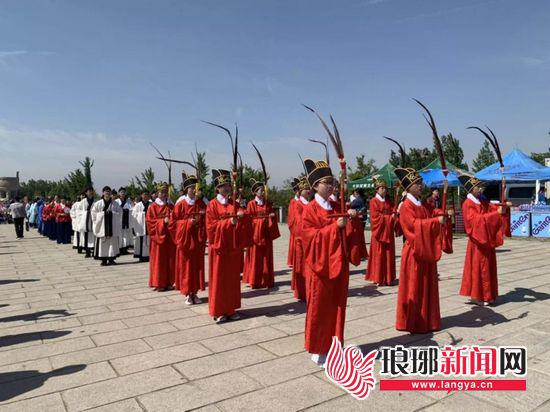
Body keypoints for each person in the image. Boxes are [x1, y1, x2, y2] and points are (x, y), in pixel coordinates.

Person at [301, 159, 357, 366]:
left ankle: (335, 346)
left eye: (332, 181)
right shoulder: (310, 210)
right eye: (327, 182)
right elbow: (310, 238)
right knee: (320, 307)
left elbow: (347, 234)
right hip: (321, 267)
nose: (331, 185)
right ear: (315, 185)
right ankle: (318, 349)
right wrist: (335, 227)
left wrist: (350, 221)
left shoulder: (336, 205)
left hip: (339, 263)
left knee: (337, 307)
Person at [394, 167, 446, 334]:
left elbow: (431, 212)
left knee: (426, 284)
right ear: (408, 187)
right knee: (414, 286)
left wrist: (443, 214)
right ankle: (414, 321)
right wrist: (435, 222)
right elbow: (413, 226)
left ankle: (428, 320)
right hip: (414, 252)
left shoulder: (421, 204)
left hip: (426, 250)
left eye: (420, 183)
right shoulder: (406, 206)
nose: (420, 186)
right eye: (416, 184)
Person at [206, 169, 247, 323]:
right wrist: (228, 222)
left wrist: (242, 216)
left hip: (232, 247)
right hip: (219, 248)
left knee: (231, 279)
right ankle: (218, 310)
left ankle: (231, 308)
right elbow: (211, 227)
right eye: (223, 186)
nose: (227, 188)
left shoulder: (234, 203)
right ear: (217, 188)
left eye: (228, 185)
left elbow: (242, 219)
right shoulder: (212, 205)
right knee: (219, 279)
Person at [458, 173, 505, 306]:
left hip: (485, 240)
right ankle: (478, 296)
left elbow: (489, 207)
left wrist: (503, 206)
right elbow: (475, 221)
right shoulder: (468, 203)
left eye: (480, 187)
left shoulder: (480, 201)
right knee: (479, 268)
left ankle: (487, 294)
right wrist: (496, 214)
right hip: (477, 241)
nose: (480, 189)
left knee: (486, 268)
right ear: (471, 189)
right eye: (478, 187)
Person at [171, 173, 207, 304]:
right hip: (186, 241)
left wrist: (202, 233)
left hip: (197, 240)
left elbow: (207, 222)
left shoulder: (202, 204)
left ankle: (195, 292)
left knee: (197, 267)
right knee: (186, 267)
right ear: (186, 189)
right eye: (191, 187)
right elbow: (173, 223)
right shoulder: (180, 205)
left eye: (195, 187)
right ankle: (188, 293)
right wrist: (187, 223)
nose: (194, 190)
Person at [242, 178, 281, 289]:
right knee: (255, 258)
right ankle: (254, 280)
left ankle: (266, 280)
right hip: (255, 235)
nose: (262, 192)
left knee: (266, 257)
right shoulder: (251, 204)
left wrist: (272, 218)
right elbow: (249, 220)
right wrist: (261, 221)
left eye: (263, 190)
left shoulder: (267, 203)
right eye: (259, 190)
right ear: (255, 192)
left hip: (266, 234)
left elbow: (271, 215)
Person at [365, 178, 397, 286]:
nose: (384, 190)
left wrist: (395, 214)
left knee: (388, 255)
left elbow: (394, 210)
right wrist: (389, 218)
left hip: (387, 232)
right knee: (379, 255)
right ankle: (378, 277)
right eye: (381, 188)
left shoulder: (388, 201)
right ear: (377, 189)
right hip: (379, 233)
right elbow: (375, 218)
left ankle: (388, 277)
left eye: (385, 188)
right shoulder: (373, 201)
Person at [146, 182, 175, 291]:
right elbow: (150, 223)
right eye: (161, 192)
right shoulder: (152, 207)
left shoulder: (171, 206)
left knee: (169, 260)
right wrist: (163, 222)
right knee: (159, 260)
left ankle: (169, 282)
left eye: (165, 192)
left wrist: (171, 219)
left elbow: (176, 219)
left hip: (169, 238)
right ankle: (159, 283)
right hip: (157, 238)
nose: (163, 194)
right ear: (157, 193)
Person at [289, 177, 310, 301]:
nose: (308, 191)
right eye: (305, 189)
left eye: (309, 188)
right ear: (300, 191)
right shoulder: (297, 204)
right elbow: (296, 222)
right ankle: (303, 293)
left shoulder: (311, 203)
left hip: (311, 240)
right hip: (302, 240)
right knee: (302, 267)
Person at [91, 186, 122, 266]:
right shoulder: (98, 204)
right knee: (102, 243)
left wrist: (111, 214)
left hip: (112, 227)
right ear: (103, 193)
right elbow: (93, 215)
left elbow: (120, 214)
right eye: (106, 191)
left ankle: (111, 259)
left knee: (112, 242)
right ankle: (103, 260)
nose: (107, 193)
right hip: (102, 227)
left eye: (108, 191)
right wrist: (103, 214)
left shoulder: (115, 204)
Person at [131, 190, 151, 262]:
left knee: (148, 240)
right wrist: (142, 214)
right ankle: (141, 256)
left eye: (147, 194)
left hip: (149, 225)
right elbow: (133, 215)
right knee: (140, 240)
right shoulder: (138, 205)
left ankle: (148, 255)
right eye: (144, 194)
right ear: (141, 195)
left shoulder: (151, 204)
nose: (145, 196)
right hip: (140, 225)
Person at [77, 187, 96, 257]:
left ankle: (94, 250)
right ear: (86, 193)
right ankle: (87, 251)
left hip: (93, 221)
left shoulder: (95, 202)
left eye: (91, 191)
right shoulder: (82, 202)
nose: (90, 192)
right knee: (85, 236)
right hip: (85, 221)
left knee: (93, 236)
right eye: (89, 191)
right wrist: (86, 213)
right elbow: (78, 212)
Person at [286, 178, 301, 268]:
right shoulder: (293, 201)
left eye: (300, 190)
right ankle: (292, 260)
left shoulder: (303, 201)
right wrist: (293, 225)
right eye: (297, 190)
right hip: (295, 226)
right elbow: (291, 215)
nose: (298, 192)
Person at [115, 187, 134, 254]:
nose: (122, 193)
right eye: (121, 192)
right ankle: (120, 248)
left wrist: (127, 210)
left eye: (124, 192)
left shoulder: (129, 201)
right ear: (118, 193)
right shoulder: (116, 201)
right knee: (120, 234)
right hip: (120, 221)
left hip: (127, 220)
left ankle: (125, 248)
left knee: (126, 234)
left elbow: (132, 209)